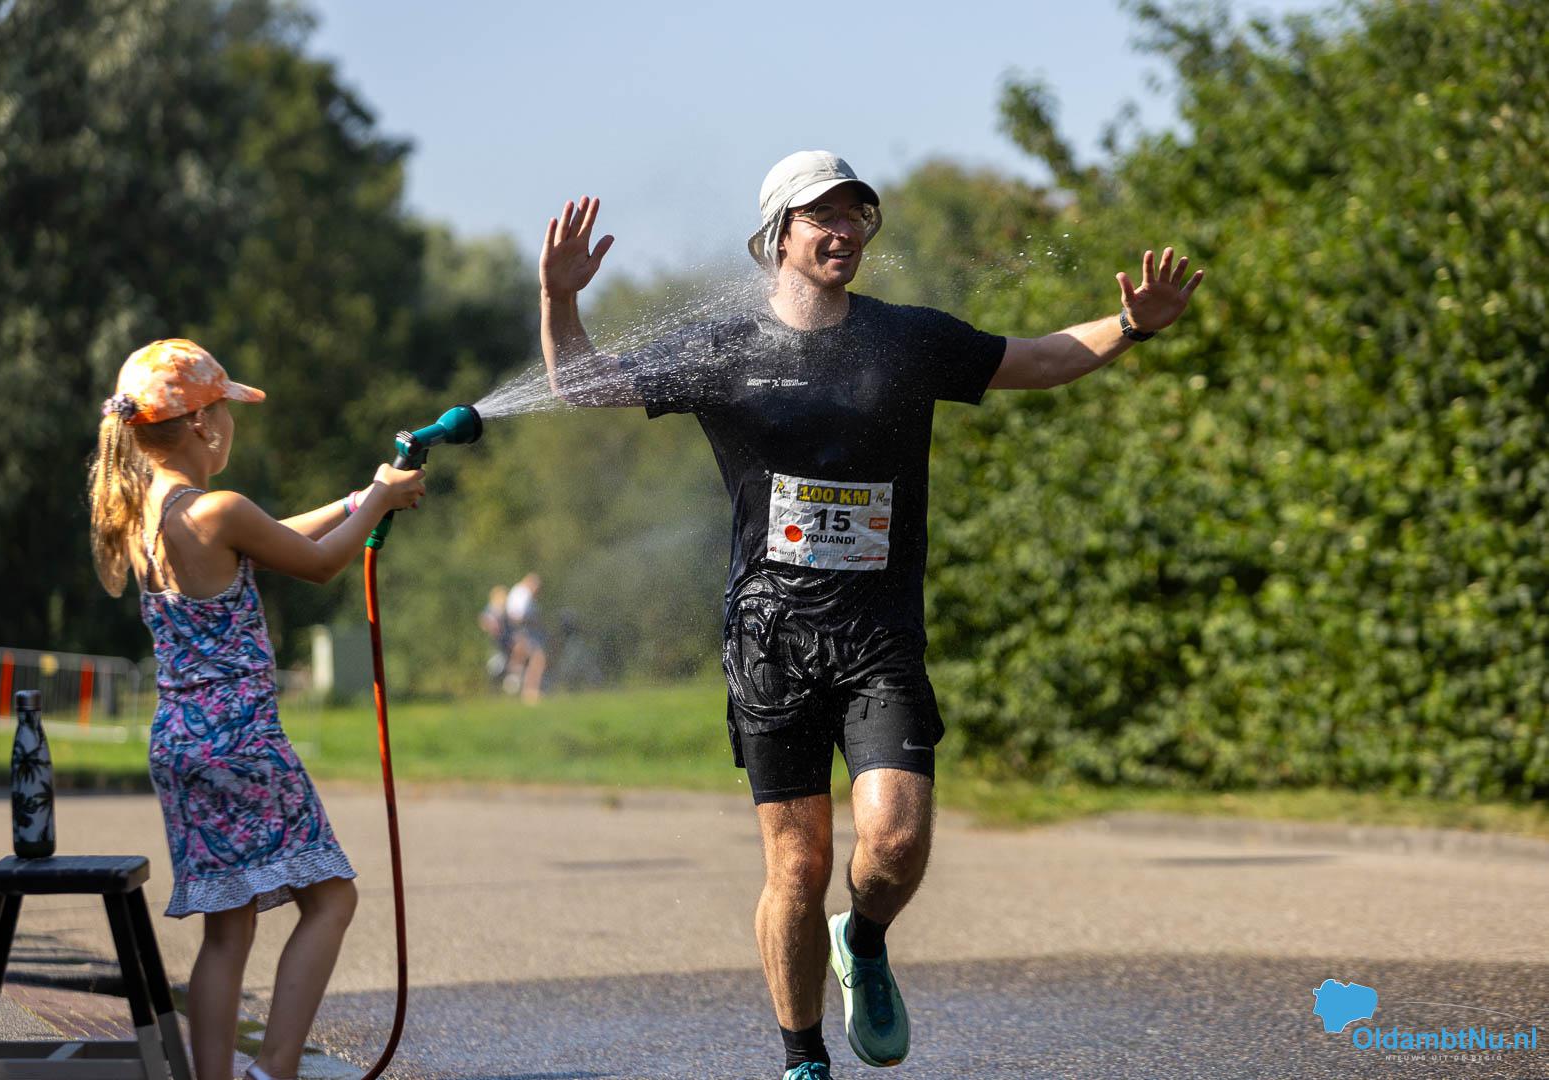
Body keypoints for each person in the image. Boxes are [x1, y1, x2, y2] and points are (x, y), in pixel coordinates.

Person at [539, 151, 1203, 1080]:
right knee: (797, 867)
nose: (844, 229)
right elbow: (581, 384)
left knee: (893, 843)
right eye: (823, 215)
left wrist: (1131, 327)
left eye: (857, 214)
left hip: (879, 638)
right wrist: (560, 300)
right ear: (779, 235)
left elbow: (1043, 358)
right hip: (769, 639)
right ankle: (802, 1058)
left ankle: (869, 936)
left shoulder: (908, 341)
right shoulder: (726, 347)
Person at [86, 339, 426, 1080]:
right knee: (332, 900)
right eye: (227, 412)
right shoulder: (220, 510)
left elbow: (271, 539)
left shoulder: (147, 512)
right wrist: (380, 502)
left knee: (226, 932)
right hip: (242, 743)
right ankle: (273, 1072)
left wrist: (359, 499)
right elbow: (319, 563)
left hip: (181, 746)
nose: (233, 427)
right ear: (206, 426)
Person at [505, 571, 548, 703]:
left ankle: (517, 686)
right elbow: (515, 616)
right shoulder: (521, 593)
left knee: (527, 660)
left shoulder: (521, 592)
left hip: (526, 633)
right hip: (524, 633)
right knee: (537, 660)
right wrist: (521, 635)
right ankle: (528, 691)